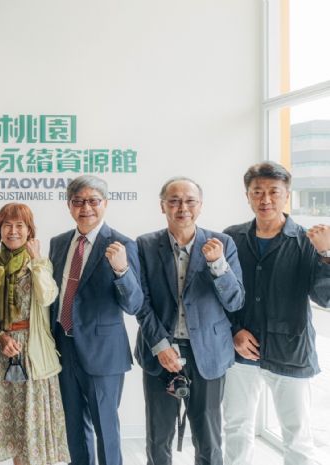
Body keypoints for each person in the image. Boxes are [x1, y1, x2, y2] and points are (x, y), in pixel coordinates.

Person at [222, 162, 330, 465]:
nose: (265, 199)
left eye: (274, 192)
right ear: (247, 195)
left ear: (287, 195)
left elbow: (325, 297)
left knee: (297, 437)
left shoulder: (307, 241)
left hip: (290, 350)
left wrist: (326, 254)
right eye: (257, 192)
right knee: (236, 428)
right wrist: (234, 330)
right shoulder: (232, 238)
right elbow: (217, 294)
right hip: (241, 353)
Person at [135, 176, 244, 465]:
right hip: (160, 351)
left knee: (208, 439)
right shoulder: (145, 245)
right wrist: (161, 346)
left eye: (190, 201)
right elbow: (141, 303)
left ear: (201, 205)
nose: (182, 207)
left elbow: (235, 301)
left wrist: (218, 264)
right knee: (158, 438)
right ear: (163, 206)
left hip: (208, 352)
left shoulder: (223, 244)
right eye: (174, 201)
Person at [49, 175, 143, 465]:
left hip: (103, 352)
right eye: (78, 201)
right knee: (74, 427)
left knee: (106, 427)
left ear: (105, 203)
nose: (85, 208)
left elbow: (134, 304)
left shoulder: (122, 244)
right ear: (69, 205)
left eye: (93, 201)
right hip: (63, 347)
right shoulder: (59, 243)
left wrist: (122, 271)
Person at [0, 203, 71, 465]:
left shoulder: (39, 263)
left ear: (30, 230)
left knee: (33, 433)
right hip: (4, 353)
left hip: (33, 353)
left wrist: (37, 260)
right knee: (15, 434)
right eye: (7, 225)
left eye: (20, 225)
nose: (13, 231)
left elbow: (48, 296)